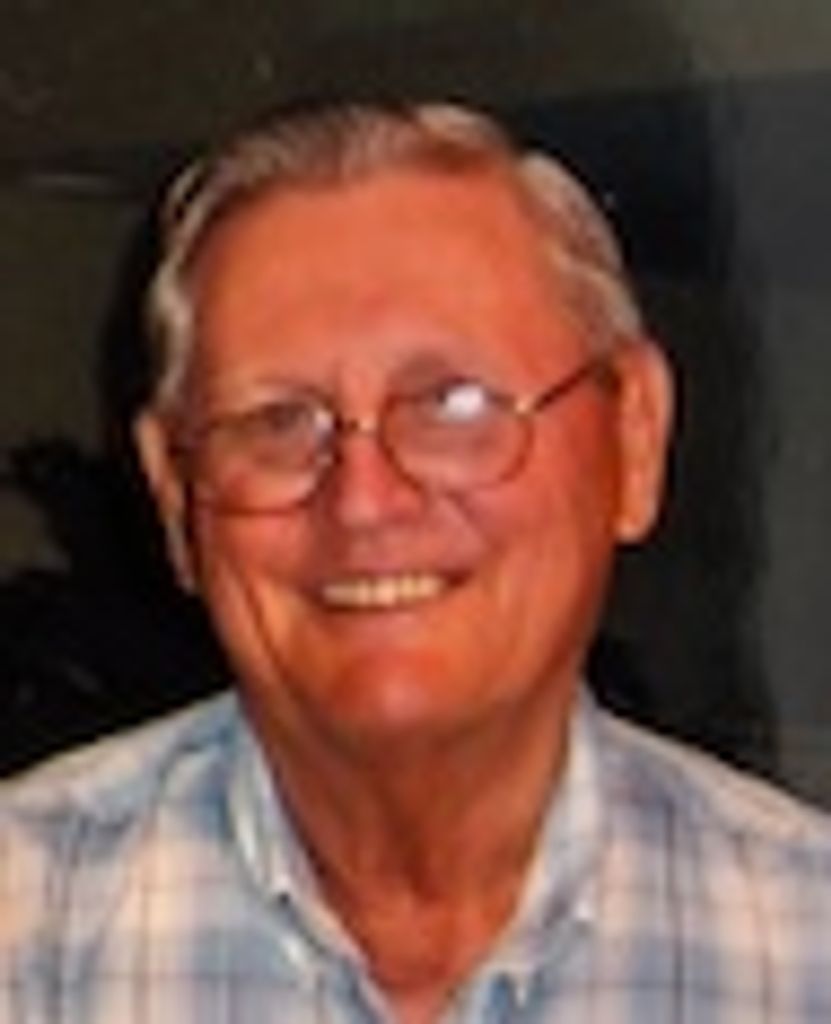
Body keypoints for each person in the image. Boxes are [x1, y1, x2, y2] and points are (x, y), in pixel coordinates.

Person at [1, 101, 830, 1024]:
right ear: (173, 494)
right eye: (277, 421)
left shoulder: (802, 953)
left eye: (452, 404)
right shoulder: (26, 933)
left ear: (633, 437)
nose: (364, 501)